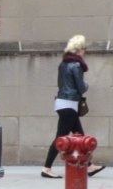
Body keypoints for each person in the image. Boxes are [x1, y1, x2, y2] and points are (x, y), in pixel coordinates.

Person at [43, 35, 105, 178]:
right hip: (69, 105)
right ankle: (46, 168)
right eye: (83, 49)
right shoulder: (76, 65)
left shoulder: (63, 64)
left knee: (81, 136)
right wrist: (87, 84)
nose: (85, 52)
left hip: (62, 103)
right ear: (78, 50)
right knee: (60, 138)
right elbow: (81, 87)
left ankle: (89, 166)